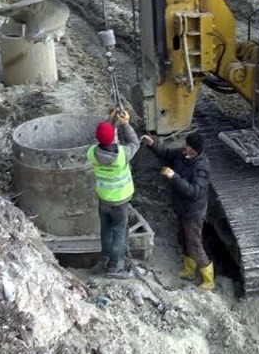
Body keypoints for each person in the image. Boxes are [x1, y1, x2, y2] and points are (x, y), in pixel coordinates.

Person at [141, 131, 214, 291]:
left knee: (194, 245)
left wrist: (174, 177)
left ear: (195, 151)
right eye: (185, 143)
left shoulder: (202, 168)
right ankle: (189, 271)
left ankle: (209, 281)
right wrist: (152, 144)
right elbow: (166, 153)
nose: (184, 147)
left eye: (187, 145)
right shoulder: (182, 155)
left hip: (193, 213)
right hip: (182, 209)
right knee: (182, 239)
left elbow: (194, 191)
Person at [86, 108, 141, 279]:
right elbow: (135, 142)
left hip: (104, 199)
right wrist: (126, 124)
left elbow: (104, 138)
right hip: (120, 202)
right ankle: (113, 268)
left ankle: (104, 260)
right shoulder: (122, 155)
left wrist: (110, 121)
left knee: (106, 231)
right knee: (118, 234)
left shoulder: (92, 153)